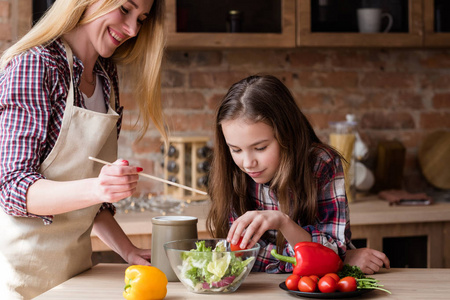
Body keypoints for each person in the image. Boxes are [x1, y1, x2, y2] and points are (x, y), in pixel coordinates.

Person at [0, 0, 167, 299]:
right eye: (125, 9)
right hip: (21, 280)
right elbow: (13, 188)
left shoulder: (106, 77)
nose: (132, 29)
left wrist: (128, 251)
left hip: (74, 275)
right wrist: (100, 188)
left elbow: (92, 203)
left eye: (141, 19)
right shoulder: (36, 65)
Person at [206, 74, 390, 276]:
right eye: (236, 150)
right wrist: (334, 260)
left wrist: (283, 222)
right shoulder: (232, 171)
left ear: (287, 134)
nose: (248, 163)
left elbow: (334, 251)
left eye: (260, 148)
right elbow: (242, 257)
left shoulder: (322, 163)